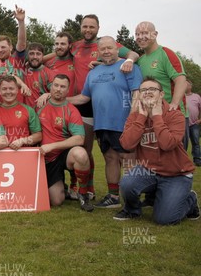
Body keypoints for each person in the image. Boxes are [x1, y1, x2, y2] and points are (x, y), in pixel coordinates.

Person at [68, 37, 143, 209]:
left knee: (128, 159)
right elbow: (84, 97)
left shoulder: (128, 66)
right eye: (103, 49)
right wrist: (61, 100)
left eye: (110, 48)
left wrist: (132, 120)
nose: (107, 51)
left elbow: (137, 94)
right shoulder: (93, 72)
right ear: (98, 51)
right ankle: (113, 197)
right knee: (110, 158)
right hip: (102, 124)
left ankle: (133, 199)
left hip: (124, 122)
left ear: (117, 49)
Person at [115, 77, 199, 224]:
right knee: (127, 183)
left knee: (165, 219)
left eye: (152, 89)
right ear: (139, 95)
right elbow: (127, 144)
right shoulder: (135, 116)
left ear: (161, 94)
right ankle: (132, 211)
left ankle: (190, 200)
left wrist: (157, 117)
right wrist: (141, 117)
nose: (147, 92)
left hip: (176, 174)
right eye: (143, 90)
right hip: (149, 170)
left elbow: (167, 144)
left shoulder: (175, 114)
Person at [37, 74, 94, 212]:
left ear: (68, 90)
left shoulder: (71, 110)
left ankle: (83, 193)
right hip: (46, 158)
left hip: (62, 155)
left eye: (62, 86)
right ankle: (64, 188)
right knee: (56, 201)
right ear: (51, 87)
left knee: (80, 154)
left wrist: (53, 145)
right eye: (56, 85)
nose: (58, 89)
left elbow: (80, 138)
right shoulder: (39, 105)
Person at [135, 21, 188, 145]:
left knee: (176, 157)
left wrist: (173, 104)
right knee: (157, 157)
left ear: (155, 34)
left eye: (144, 33)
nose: (140, 37)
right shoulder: (141, 60)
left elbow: (181, 80)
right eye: (137, 34)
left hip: (172, 115)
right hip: (151, 115)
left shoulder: (166, 53)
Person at [0, 76, 41, 156]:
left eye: (11, 88)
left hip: (23, 156)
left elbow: (38, 136)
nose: (8, 92)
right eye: (4, 89)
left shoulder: (28, 110)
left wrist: (23, 141)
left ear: (17, 90)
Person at [23, 42, 52, 108]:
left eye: (38, 54)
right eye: (31, 53)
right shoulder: (21, 69)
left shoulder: (48, 73)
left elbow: (57, 93)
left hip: (41, 113)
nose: (35, 57)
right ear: (27, 55)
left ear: (42, 56)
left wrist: (47, 94)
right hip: (22, 114)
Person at [185, 79, 201, 166]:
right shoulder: (180, 96)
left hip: (194, 124)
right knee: (184, 142)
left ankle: (197, 160)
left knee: (195, 142)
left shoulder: (197, 97)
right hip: (183, 124)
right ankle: (183, 160)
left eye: (186, 84)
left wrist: (200, 120)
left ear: (190, 86)